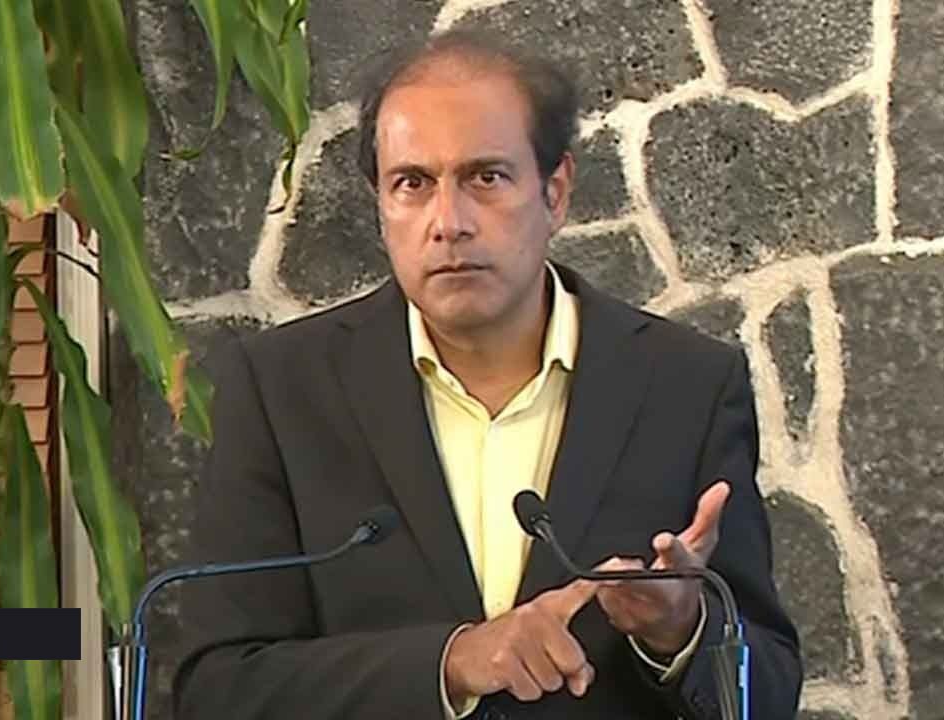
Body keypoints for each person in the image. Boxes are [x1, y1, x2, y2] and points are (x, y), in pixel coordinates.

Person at [172, 29, 802, 720]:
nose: (449, 222)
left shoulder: (687, 386)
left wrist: (681, 632)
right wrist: (453, 663)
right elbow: (217, 687)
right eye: (413, 184)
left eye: (486, 178)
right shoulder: (280, 389)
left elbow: (767, 690)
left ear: (555, 193)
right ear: (381, 204)